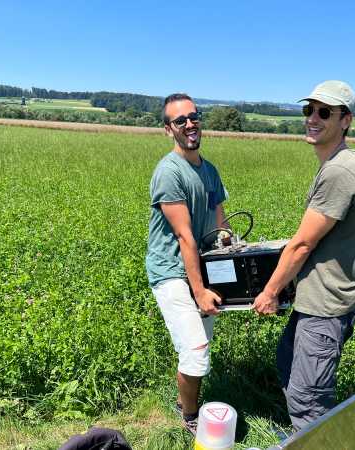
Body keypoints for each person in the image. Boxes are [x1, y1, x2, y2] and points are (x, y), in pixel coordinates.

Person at [253, 80, 355, 431]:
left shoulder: (339, 170)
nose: (313, 118)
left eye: (325, 112)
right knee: (288, 361)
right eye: (309, 110)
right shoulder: (343, 162)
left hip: (326, 303)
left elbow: (303, 245)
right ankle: (299, 434)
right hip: (323, 295)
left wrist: (270, 292)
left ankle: (311, 435)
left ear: (346, 120)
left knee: (309, 396)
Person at [145, 93, 229, 435]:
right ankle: (190, 419)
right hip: (172, 272)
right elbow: (184, 238)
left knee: (200, 347)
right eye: (180, 121)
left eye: (194, 117)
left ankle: (186, 401)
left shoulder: (209, 171)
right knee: (196, 349)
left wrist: (232, 254)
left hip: (202, 269)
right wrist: (199, 292)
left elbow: (221, 225)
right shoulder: (169, 172)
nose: (190, 124)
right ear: (169, 130)